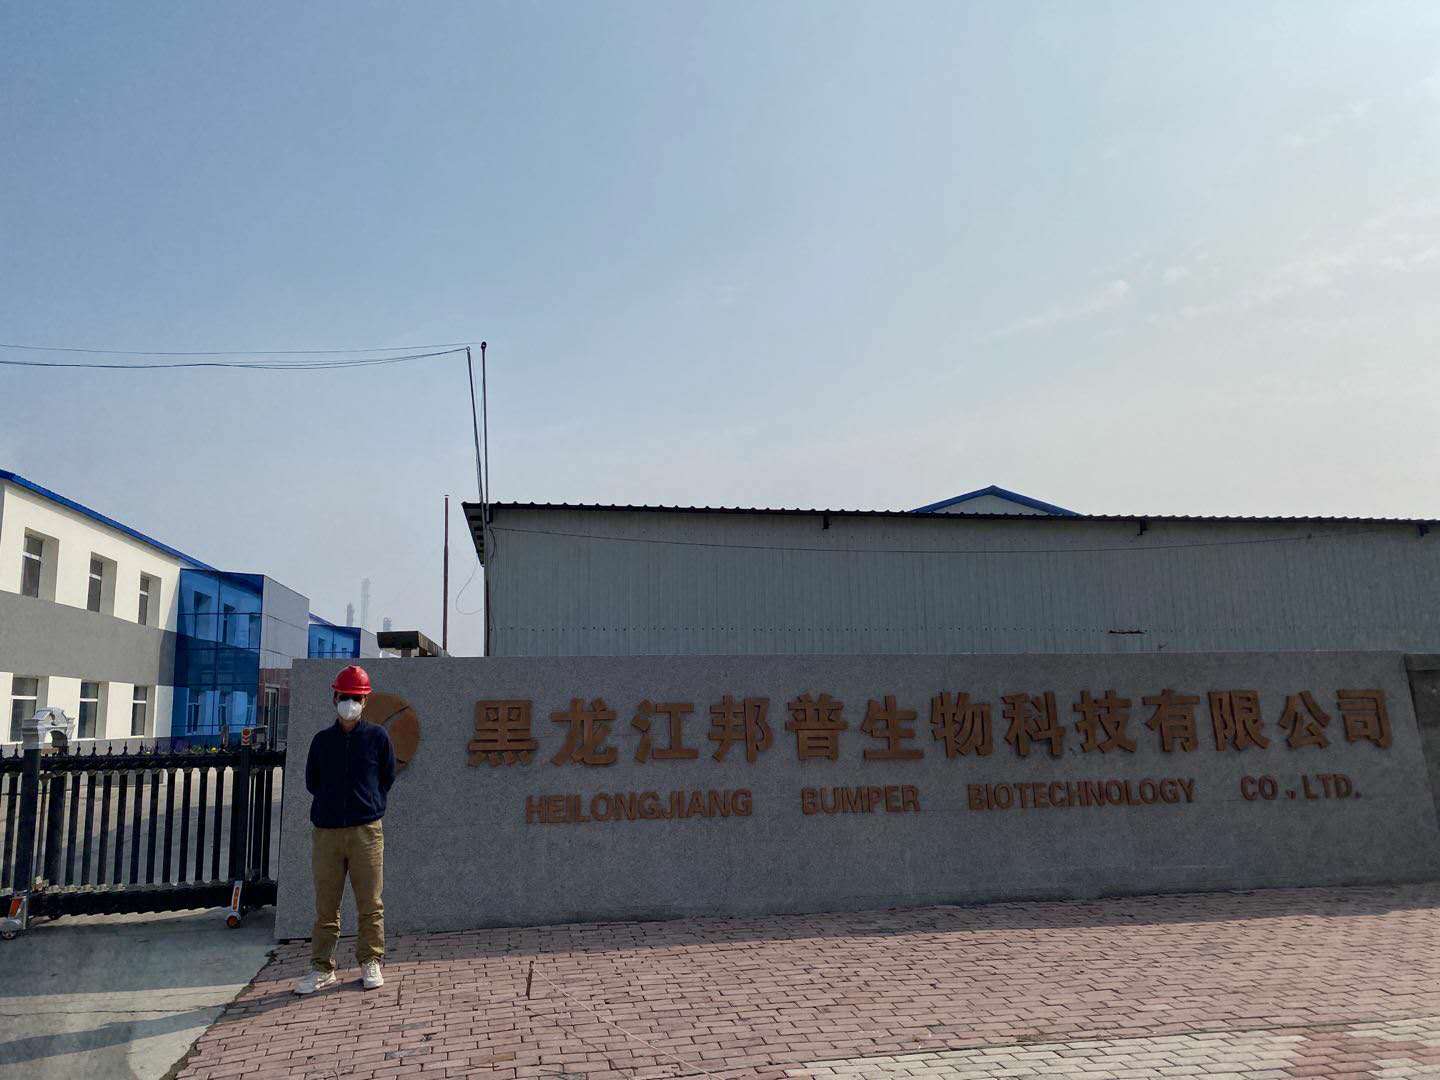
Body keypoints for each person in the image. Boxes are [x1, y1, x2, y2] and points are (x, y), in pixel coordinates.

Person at [294, 665, 396, 994]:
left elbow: (386, 777)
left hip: (366, 831)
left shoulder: (377, 738)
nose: (348, 703)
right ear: (334, 698)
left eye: (355, 697)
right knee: (326, 906)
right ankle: (321, 967)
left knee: (370, 903)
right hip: (327, 832)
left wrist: (368, 803)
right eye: (343, 697)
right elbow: (312, 782)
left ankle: (370, 960)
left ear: (365, 701)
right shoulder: (322, 741)